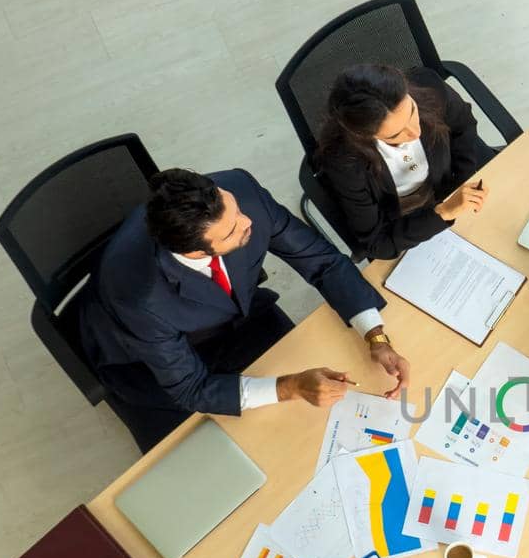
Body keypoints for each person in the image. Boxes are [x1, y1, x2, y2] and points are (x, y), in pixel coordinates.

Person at [80, 167, 410, 451]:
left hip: (235, 315)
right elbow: (191, 388)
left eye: (236, 211)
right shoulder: (139, 298)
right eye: (233, 228)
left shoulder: (239, 191)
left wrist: (376, 337)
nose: (247, 221)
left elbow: (323, 261)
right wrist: (290, 386)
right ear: (197, 253)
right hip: (149, 362)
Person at [316, 63, 496, 261]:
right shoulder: (346, 163)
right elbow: (377, 244)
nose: (415, 132)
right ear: (363, 136)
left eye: (412, 111)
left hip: (446, 185)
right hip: (405, 218)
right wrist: (443, 212)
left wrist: (462, 183)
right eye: (395, 135)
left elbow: (464, 127)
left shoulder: (428, 87)